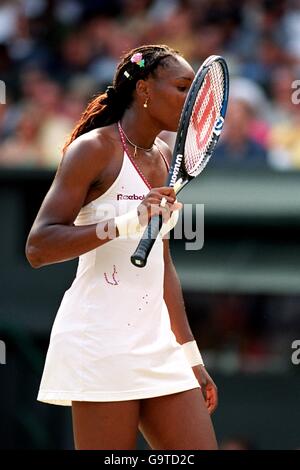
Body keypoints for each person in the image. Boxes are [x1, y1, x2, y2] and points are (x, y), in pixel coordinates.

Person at [25, 44, 218, 450]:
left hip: (158, 345)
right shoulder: (93, 149)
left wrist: (190, 354)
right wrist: (128, 223)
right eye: (183, 88)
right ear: (145, 90)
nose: (192, 102)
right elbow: (39, 247)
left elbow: (161, 266)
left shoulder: (166, 156)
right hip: (101, 342)